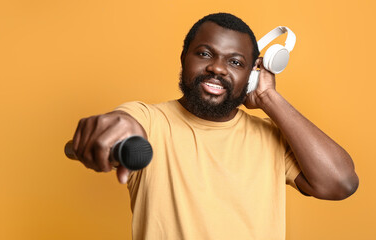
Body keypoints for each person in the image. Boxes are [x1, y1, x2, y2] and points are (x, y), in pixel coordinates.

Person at [70, 13, 358, 239]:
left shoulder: (271, 138)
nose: (218, 68)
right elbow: (125, 125)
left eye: (235, 62)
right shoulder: (149, 120)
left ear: (252, 75)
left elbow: (340, 183)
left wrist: (269, 97)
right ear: (184, 58)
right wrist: (112, 132)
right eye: (205, 54)